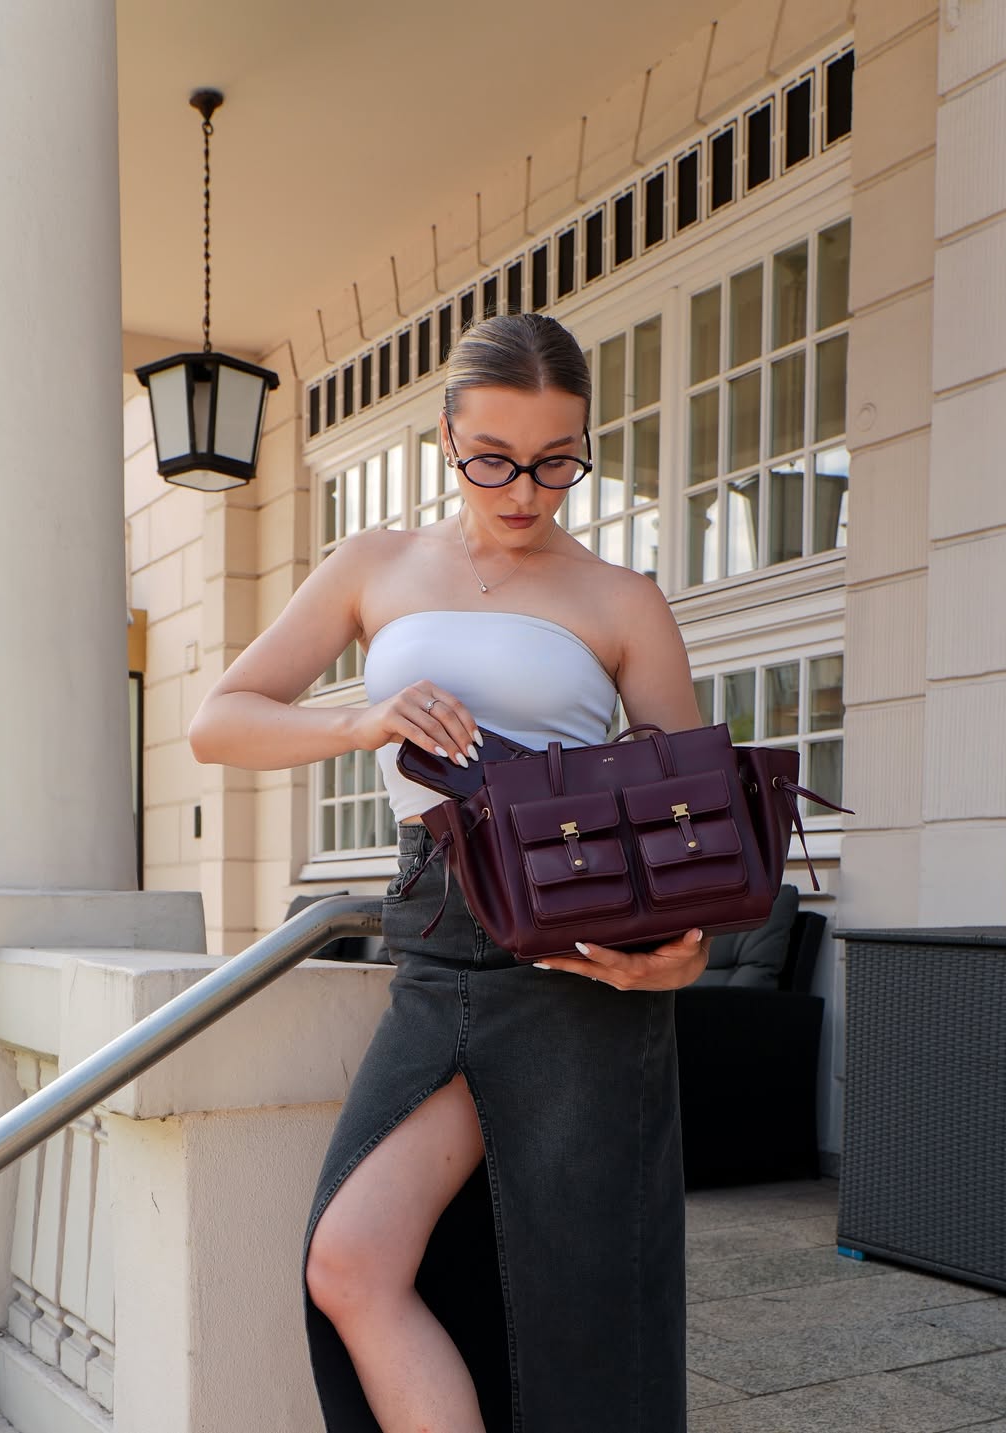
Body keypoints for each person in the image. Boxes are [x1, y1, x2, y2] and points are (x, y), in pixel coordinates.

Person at [188, 312, 710, 1433]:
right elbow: (219, 721)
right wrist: (363, 720)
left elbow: (688, 821)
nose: (524, 493)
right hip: (433, 931)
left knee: (577, 1305)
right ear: (444, 439)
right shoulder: (376, 562)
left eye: (557, 462)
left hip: (573, 957)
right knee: (352, 1259)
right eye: (493, 460)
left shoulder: (624, 597)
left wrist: (680, 952)